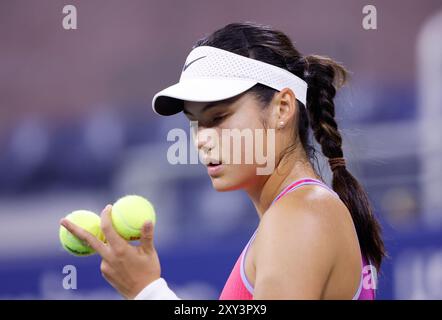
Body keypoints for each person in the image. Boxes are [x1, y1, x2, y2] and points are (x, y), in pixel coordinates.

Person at [61, 22, 385, 300]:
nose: (202, 138)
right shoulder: (298, 213)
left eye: (219, 117)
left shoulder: (300, 216)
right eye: (196, 122)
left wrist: (147, 290)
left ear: (282, 108)